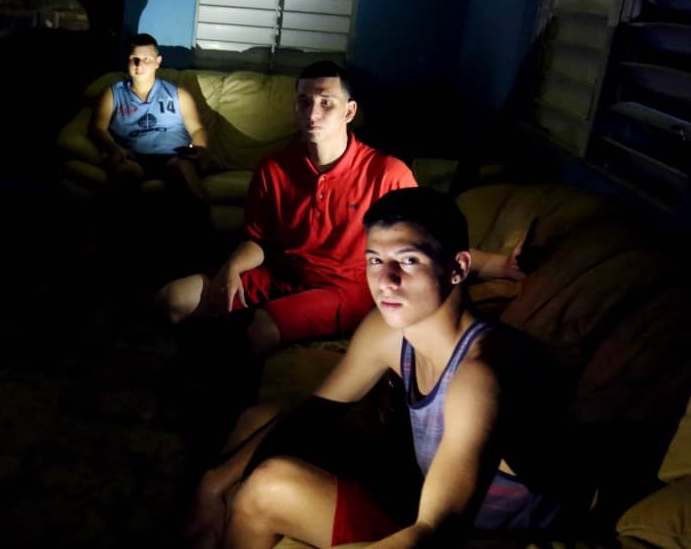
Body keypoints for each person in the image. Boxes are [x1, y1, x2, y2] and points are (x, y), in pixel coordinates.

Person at [185, 187, 567, 548]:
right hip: (417, 489)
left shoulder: (480, 375)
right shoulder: (388, 331)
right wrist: (212, 484)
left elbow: (433, 529)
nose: (385, 281)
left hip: (484, 536)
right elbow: (314, 415)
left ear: (457, 268)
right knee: (259, 421)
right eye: (375, 260)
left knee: (267, 489)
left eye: (408, 260)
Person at [155, 62, 522, 356]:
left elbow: (431, 246)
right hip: (285, 274)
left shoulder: (387, 172)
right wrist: (231, 268)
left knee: (262, 328)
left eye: (326, 102)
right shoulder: (274, 168)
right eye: (304, 102)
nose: (313, 112)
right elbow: (260, 240)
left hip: (346, 287)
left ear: (349, 111)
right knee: (174, 299)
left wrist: (500, 265)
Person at [89, 33, 210, 205]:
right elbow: (97, 127)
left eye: (146, 58)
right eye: (134, 58)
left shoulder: (178, 94)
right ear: (128, 60)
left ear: (158, 61)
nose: (139, 64)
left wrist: (199, 148)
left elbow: (197, 129)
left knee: (182, 169)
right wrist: (114, 149)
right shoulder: (113, 93)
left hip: (173, 156)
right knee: (125, 173)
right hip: (132, 156)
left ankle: (204, 226)